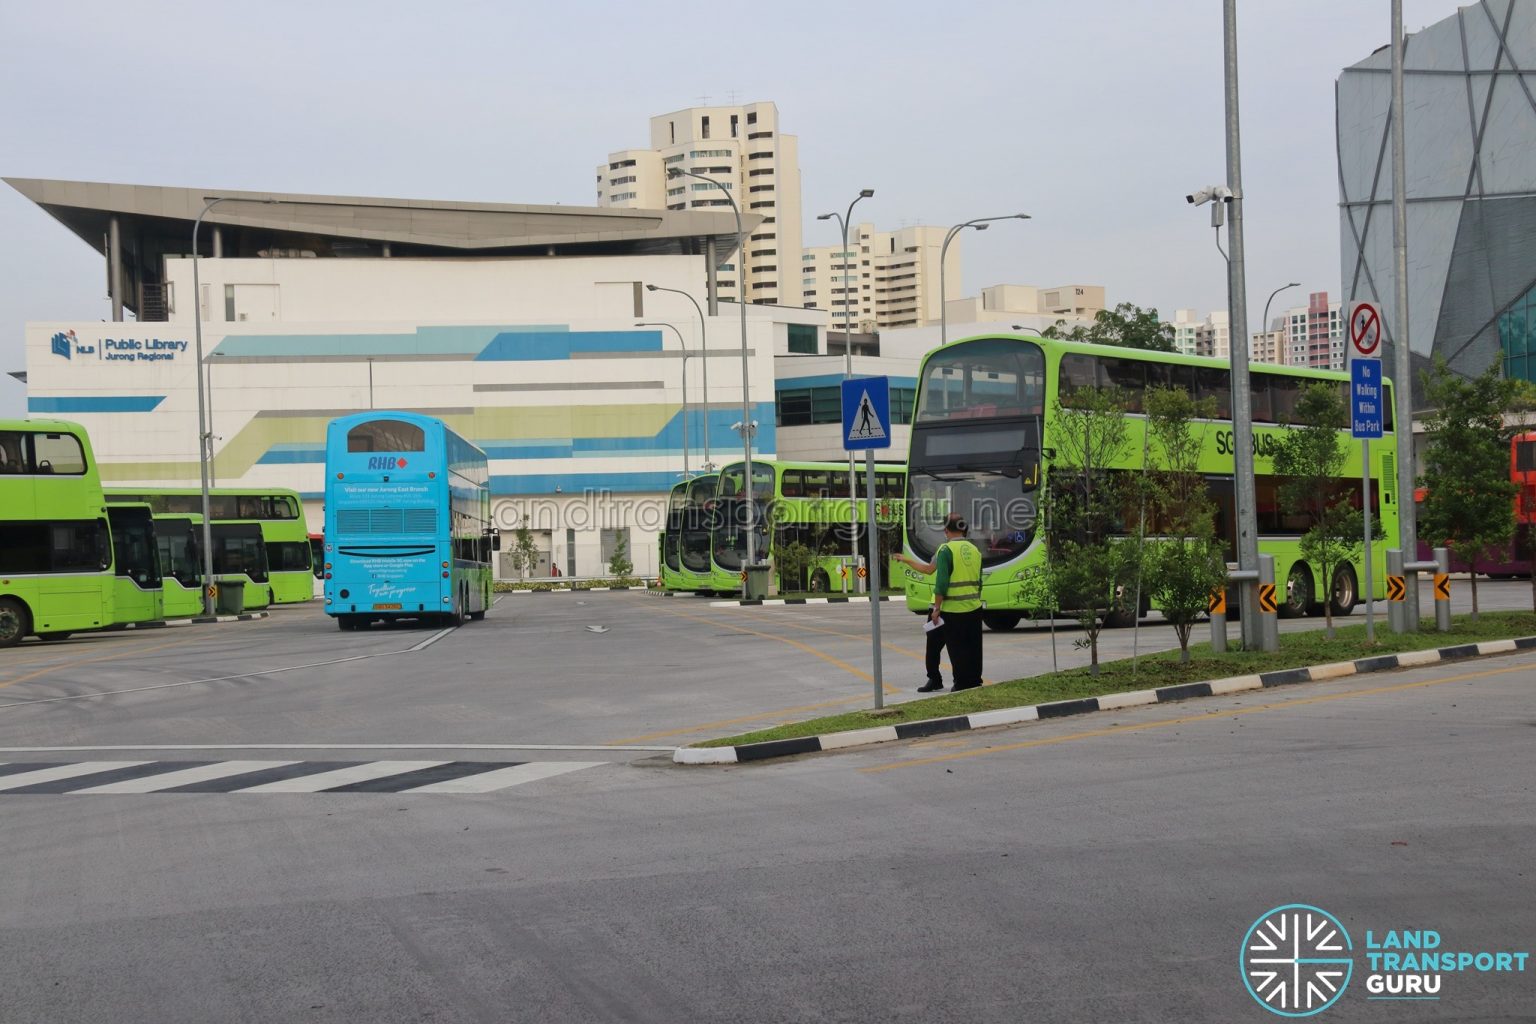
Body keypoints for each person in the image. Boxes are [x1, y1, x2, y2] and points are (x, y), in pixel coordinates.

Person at [894, 513, 985, 692]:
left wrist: (936, 608)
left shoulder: (945, 550)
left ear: (946, 530)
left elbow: (940, 581)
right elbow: (979, 580)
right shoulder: (975, 550)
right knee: (972, 646)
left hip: (947, 609)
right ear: (964, 529)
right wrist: (907, 560)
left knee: (942, 646)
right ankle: (974, 680)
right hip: (973, 607)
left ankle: (939, 680)